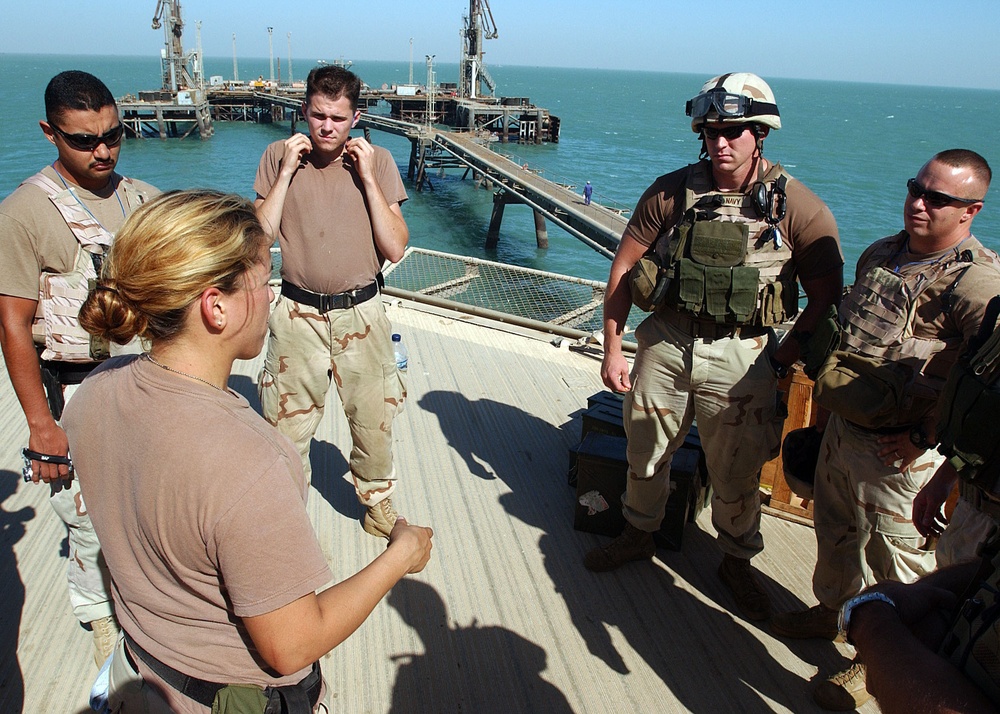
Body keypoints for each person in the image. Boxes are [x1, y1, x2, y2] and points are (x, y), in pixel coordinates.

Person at [62, 190, 433, 713]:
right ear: (217, 306)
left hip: (140, 676)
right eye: (265, 283)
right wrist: (402, 555)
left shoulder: (95, 392)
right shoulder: (252, 463)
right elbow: (292, 645)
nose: (273, 297)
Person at [584, 73, 843, 623]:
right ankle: (638, 533)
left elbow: (826, 298)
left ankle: (735, 560)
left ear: (760, 134)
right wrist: (613, 345)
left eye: (734, 132)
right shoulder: (670, 191)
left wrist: (780, 358)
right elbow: (625, 269)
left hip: (743, 353)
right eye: (711, 132)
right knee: (645, 449)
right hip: (668, 342)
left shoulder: (797, 206)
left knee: (737, 469)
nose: (720, 144)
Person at [771, 149, 1000, 710]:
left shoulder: (980, 284)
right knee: (836, 532)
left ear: (971, 210)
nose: (918, 203)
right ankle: (831, 612)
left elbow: (983, 384)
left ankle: (874, 658)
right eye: (915, 189)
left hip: (901, 448)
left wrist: (925, 440)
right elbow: (852, 340)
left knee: (899, 562)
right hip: (848, 430)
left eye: (937, 198)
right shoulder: (883, 253)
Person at [0, 70, 157, 667]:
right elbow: (14, 327)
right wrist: (43, 428)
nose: (104, 151)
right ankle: (101, 629)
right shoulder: (23, 214)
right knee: (88, 526)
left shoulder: (141, 198)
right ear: (49, 133)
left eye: (114, 135)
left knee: (148, 511)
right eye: (84, 140)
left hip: (144, 389)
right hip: (74, 394)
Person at [254, 65, 409, 539]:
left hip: (361, 311)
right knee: (284, 421)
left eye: (338, 119)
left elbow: (396, 247)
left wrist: (367, 178)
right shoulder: (278, 155)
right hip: (296, 312)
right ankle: (284, 507)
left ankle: (377, 503)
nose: (327, 127)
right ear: (304, 111)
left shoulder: (377, 161)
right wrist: (284, 175)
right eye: (318, 115)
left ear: (356, 117)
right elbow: (258, 240)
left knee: (373, 419)